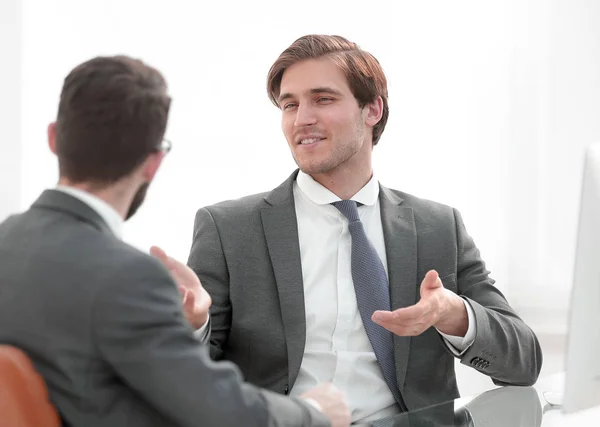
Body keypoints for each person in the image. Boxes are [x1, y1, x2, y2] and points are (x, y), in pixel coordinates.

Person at [186, 34, 543, 424]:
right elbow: (187, 372)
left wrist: (452, 312)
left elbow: (524, 363)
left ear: (372, 109)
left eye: (323, 99)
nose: (302, 118)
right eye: (290, 104)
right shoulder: (228, 229)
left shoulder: (438, 227)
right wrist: (190, 326)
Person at [0, 55, 350, 427]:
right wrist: (314, 413)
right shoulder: (129, 277)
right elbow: (217, 411)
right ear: (153, 162)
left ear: (54, 138)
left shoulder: (7, 241)